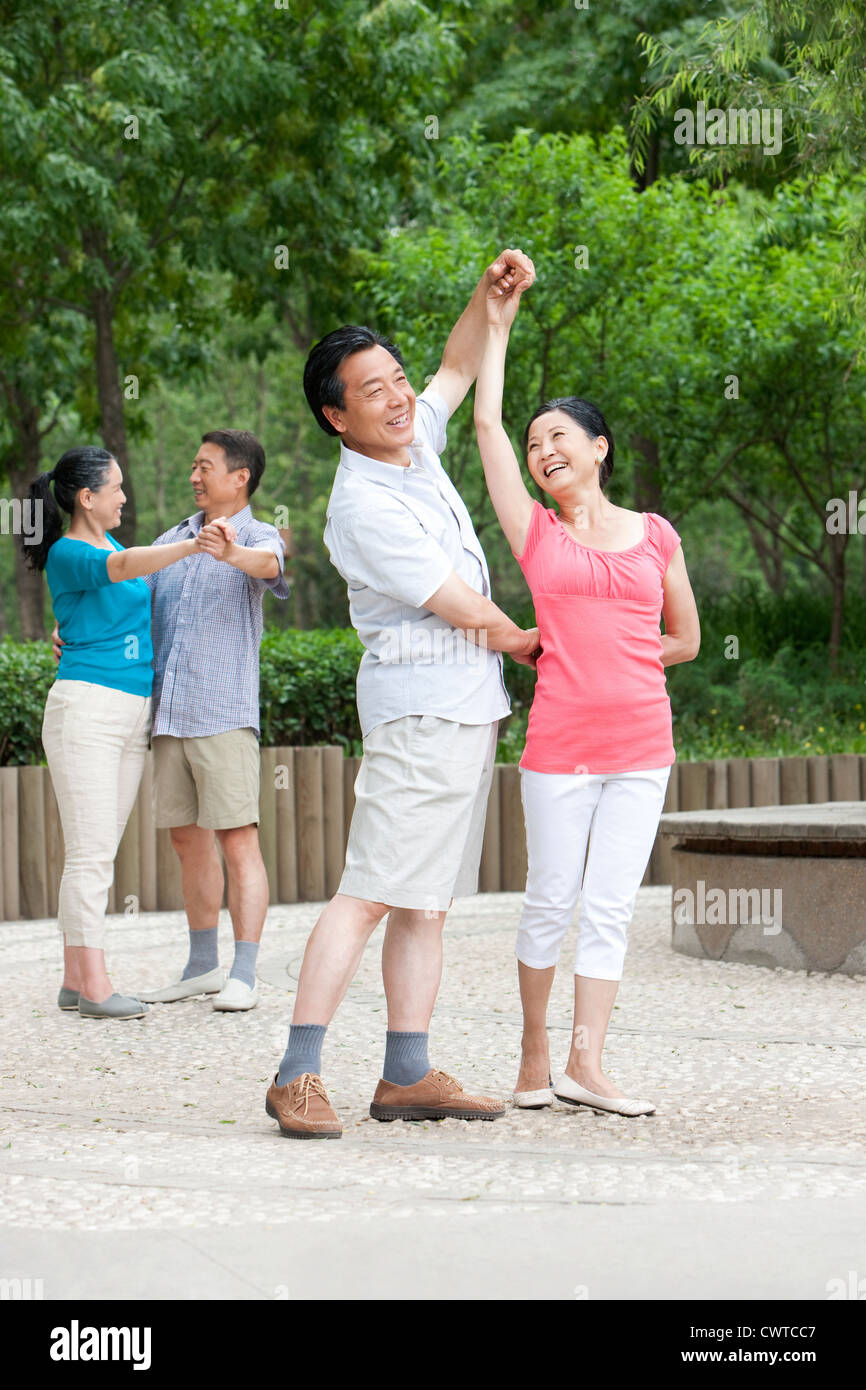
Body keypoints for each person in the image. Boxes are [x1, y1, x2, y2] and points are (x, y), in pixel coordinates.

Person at [265, 249, 540, 1139]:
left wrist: (487, 297)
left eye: (394, 379)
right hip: (422, 713)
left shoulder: (414, 442)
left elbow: (459, 366)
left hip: (465, 710)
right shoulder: (360, 505)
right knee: (370, 891)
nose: (395, 396)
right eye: (371, 389)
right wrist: (531, 638)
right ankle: (295, 1073)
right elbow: (456, 605)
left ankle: (406, 1072)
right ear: (333, 416)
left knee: (426, 900)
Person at [473, 262, 701, 1116]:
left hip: (642, 748)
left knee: (609, 909)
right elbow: (488, 423)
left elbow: (685, 638)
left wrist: (625, 660)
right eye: (537, 446)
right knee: (549, 900)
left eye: (559, 436)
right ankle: (534, 1057)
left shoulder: (655, 535)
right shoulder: (537, 535)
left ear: (599, 448)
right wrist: (501, 321)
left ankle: (587, 1065)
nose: (544, 451)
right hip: (561, 752)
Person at [54, 430, 290, 1014]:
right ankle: (201, 966)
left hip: (223, 714)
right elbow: (126, 593)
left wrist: (226, 551)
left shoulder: (257, 535)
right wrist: (71, 630)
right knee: (189, 843)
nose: (194, 475)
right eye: (192, 464)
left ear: (239, 477)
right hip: (166, 717)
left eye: (204, 466)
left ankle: (245, 972)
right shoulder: (170, 541)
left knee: (239, 841)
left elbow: (268, 565)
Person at [25, 445, 231, 1019]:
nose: (123, 496)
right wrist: (193, 544)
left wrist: (66, 630)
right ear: (86, 498)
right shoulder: (70, 552)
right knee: (90, 857)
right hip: (87, 711)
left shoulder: (112, 544)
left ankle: (74, 978)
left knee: (98, 854)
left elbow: (114, 598)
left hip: (129, 712)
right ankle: (94, 986)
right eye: (115, 487)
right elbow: (117, 571)